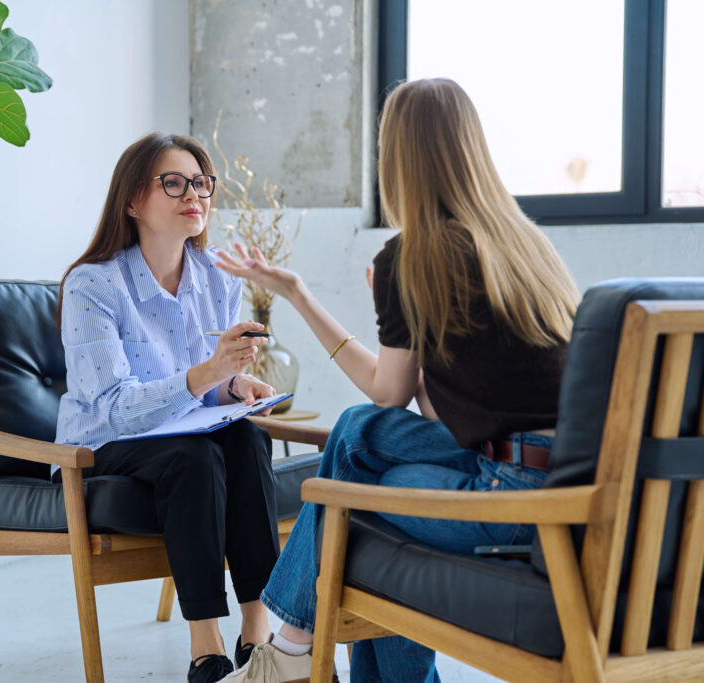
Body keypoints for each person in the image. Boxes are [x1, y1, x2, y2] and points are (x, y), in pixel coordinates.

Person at [212, 78, 581, 682]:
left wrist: (304, 298)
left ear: (398, 159)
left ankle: (289, 652)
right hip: (566, 483)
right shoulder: (525, 249)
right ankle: (293, 653)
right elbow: (449, 413)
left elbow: (390, 393)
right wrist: (317, 294)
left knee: (354, 499)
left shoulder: (414, 256)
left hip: (510, 502)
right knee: (359, 436)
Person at [55, 132, 285, 683]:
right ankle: (206, 647)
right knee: (193, 457)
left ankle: (257, 635)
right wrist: (210, 372)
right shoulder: (93, 285)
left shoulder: (215, 277)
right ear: (133, 201)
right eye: (174, 183)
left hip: (181, 432)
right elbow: (114, 407)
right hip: (102, 446)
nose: (194, 195)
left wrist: (234, 385)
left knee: (247, 438)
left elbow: (205, 389)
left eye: (201, 183)